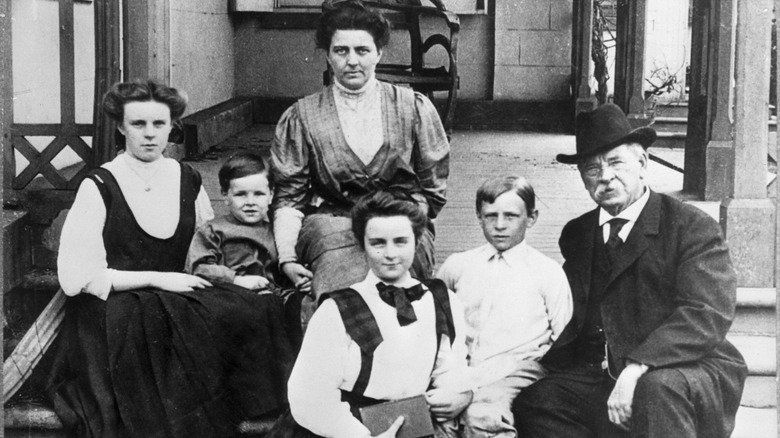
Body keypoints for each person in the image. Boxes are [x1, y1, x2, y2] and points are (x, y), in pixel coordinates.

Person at [50, 80, 294, 437]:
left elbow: (205, 245)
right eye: (138, 124)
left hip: (177, 293)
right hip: (114, 303)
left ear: (171, 127)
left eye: (159, 124)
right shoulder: (99, 185)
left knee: (252, 306)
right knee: (145, 320)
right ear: (121, 127)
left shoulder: (187, 178)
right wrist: (157, 278)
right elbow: (76, 277)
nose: (150, 135)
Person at [512, 103, 748, 438]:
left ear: (642, 163)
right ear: (582, 179)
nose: (605, 177)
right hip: (605, 370)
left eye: (615, 162)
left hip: (686, 366)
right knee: (539, 401)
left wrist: (638, 366)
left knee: (656, 391)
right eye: (592, 169)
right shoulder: (579, 234)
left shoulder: (690, 227)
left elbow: (705, 314)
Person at [270, 0, 450, 313]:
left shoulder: (412, 107)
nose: (352, 61)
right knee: (338, 302)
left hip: (399, 223)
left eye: (362, 51)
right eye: (341, 51)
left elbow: (431, 193)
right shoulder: (303, 116)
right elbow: (288, 198)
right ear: (328, 54)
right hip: (331, 225)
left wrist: (402, 223)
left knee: (403, 299)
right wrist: (286, 258)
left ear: (379, 52)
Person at [269, 190, 472, 438]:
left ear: (417, 241)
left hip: (412, 424)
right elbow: (310, 395)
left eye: (400, 241)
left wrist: (458, 392)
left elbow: (450, 365)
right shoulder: (337, 309)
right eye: (377, 243)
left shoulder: (441, 299)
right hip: (346, 428)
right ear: (362, 244)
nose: (390, 254)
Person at [436, 176, 572, 438]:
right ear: (479, 216)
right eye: (490, 216)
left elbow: (563, 339)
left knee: (482, 417)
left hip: (517, 370)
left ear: (531, 218)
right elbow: (435, 317)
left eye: (510, 216)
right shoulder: (458, 265)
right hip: (463, 367)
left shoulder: (547, 273)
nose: (499, 226)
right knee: (438, 415)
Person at [186, 151, 302, 347]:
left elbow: (282, 268)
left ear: (271, 195)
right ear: (225, 195)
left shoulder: (275, 231)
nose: (250, 202)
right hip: (229, 296)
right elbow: (199, 266)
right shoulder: (214, 230)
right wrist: (236, 279)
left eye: (259, 194)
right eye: (240, 194)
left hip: (273, 298)